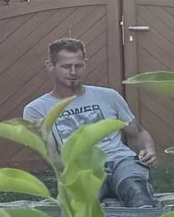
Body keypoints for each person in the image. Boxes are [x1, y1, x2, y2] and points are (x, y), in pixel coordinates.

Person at [23, 37, 157, 207]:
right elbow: (50, 155)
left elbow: (138, 132)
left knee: (137, 191)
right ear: (51, 66)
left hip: (121, 162)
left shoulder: (109, 96)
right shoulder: (37, 109)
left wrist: (149, 150)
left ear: (85, 64)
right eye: (66, 66)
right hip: (82, 168)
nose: (73, 72)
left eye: (78, 66)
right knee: (84, 210)